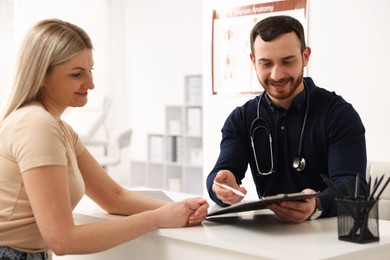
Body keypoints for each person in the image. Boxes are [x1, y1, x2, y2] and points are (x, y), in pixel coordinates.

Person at [0, 18, 208, 259]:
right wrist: (158, 218)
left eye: (91, 70)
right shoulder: (36, 125)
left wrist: (185, 209)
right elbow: (62, 240)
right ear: (42, 76)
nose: (91, 84)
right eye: (77, 74)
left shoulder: (60, 129)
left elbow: (113, 197)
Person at [206, 15, 367, 224]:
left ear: (305, 56)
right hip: (269, 235)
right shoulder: (241, 119)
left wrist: (317, 204)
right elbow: (219, 175)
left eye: (287, 61)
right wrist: (220, 186)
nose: (276, 75)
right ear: (253, 62)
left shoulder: (338, 114)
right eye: (266, 63)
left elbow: (353, 187)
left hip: (326, 236)